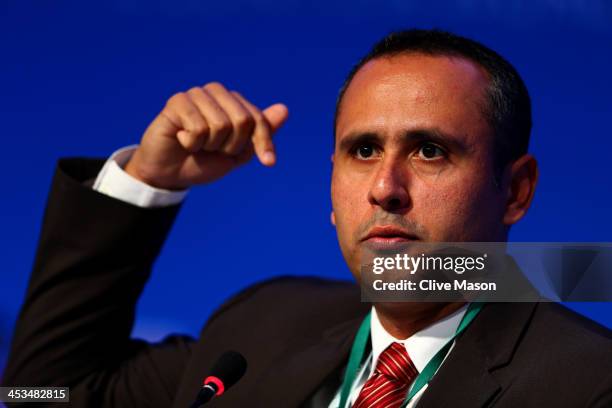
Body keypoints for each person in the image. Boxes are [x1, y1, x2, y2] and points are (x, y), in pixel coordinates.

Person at [3, 29, 611, 408]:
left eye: (430, 151)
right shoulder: (262, 325)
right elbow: (42, 393)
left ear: (517, 190)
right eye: (363, 150)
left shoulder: (588, 384)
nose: (384, 188)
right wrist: (146, 179)